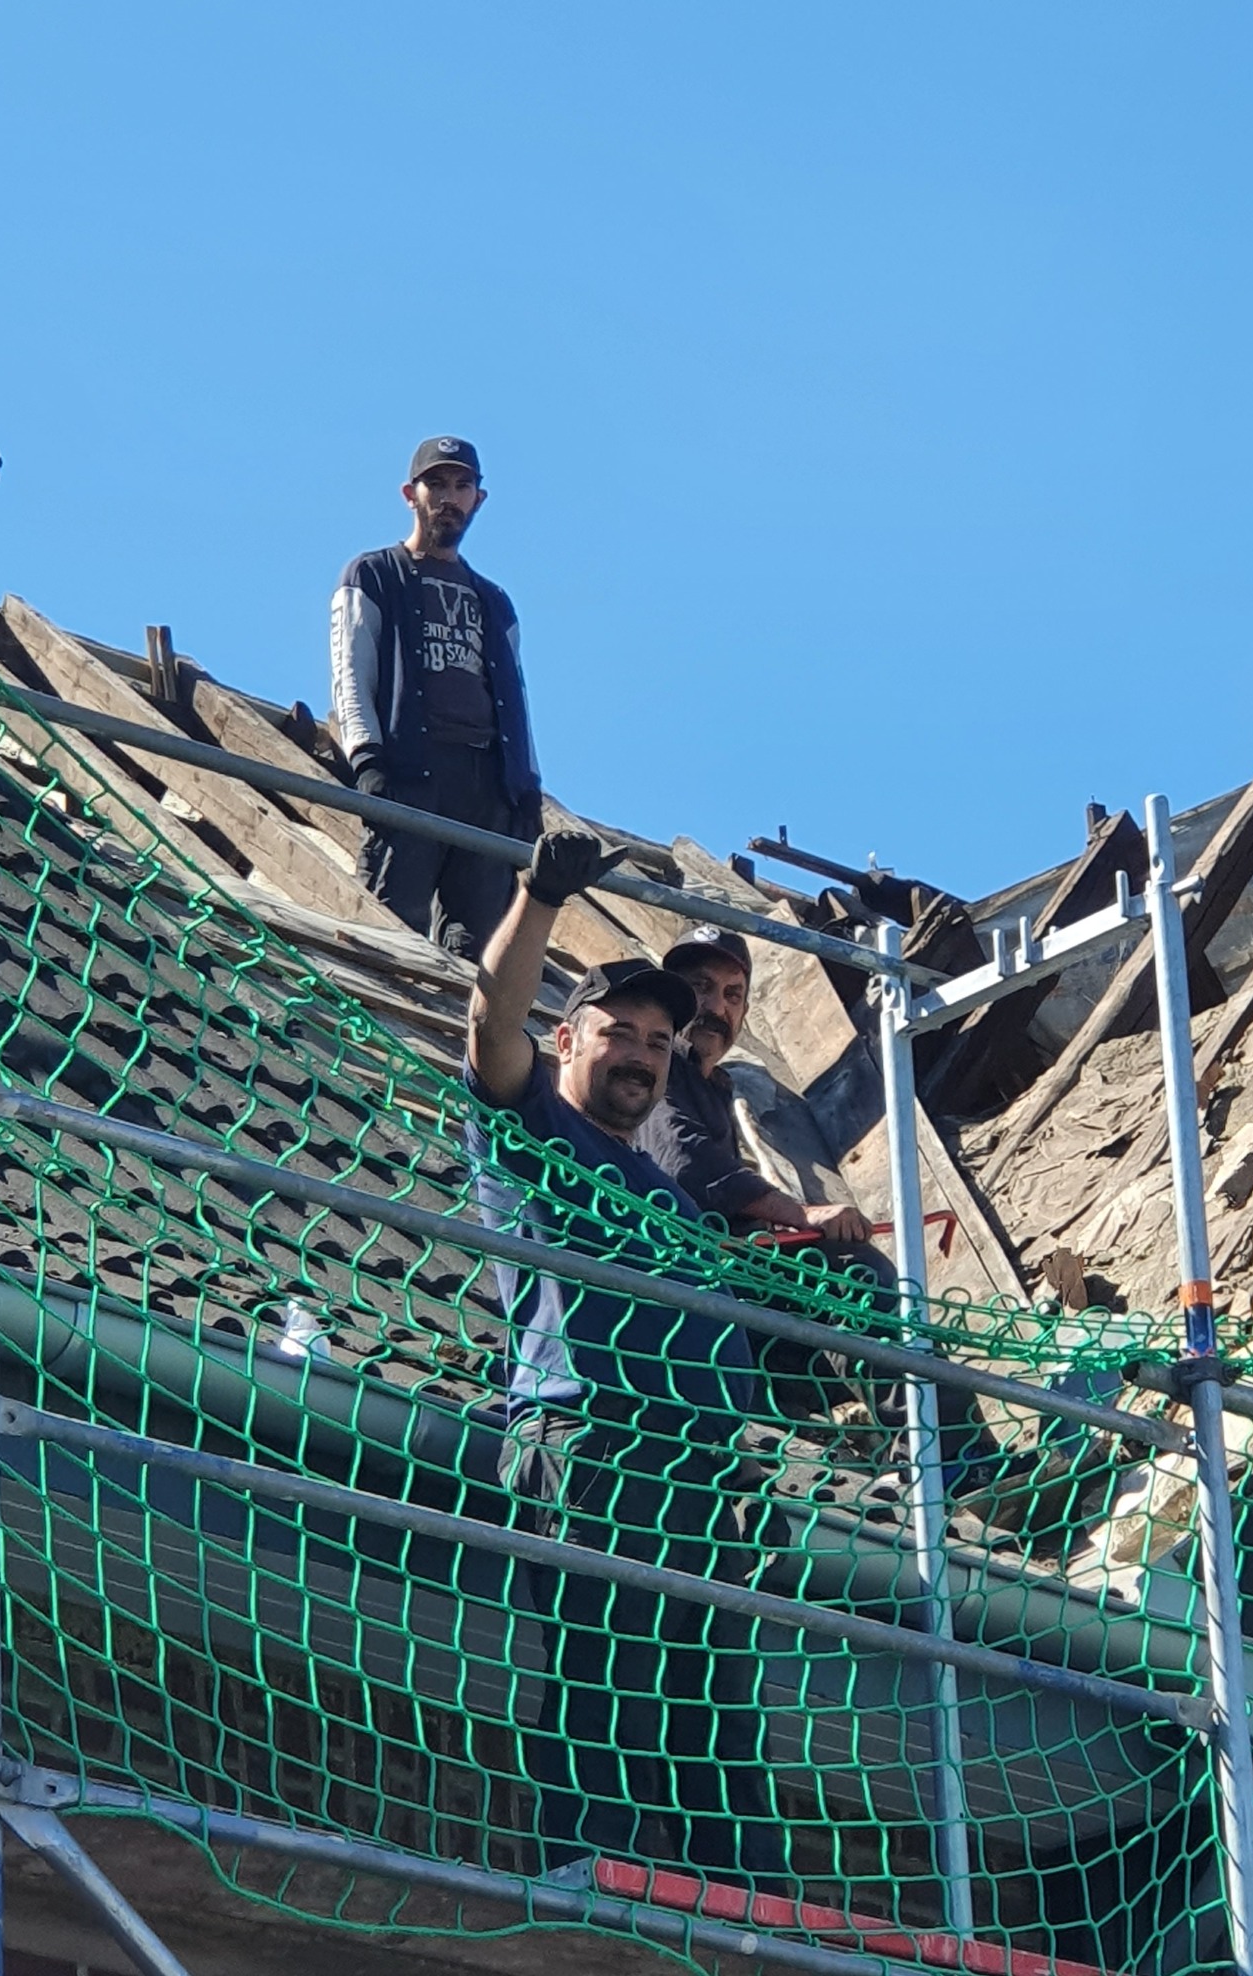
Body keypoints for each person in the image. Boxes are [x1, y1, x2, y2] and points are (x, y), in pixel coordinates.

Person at [464, 834, 789, 1892]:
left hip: (694, 1468)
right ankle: (579, 1874)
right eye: (619, 1031)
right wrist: (538, 896)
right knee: (605, 1669)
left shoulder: (665, 1192)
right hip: (596, 1441)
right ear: (570, 1038)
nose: (643, 1053)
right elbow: (487, 1027)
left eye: (660, 1038)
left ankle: (741, 1903)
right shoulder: (536, 1130)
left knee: (715, 1709)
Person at [638, 924, 1006, 1494]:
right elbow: (685, 1164)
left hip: (725, 1287)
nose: (716, 1008)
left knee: (837, 1326)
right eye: (700, 988)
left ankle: (927, 1461)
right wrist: (800, 1214)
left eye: (733, 995)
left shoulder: (709, 1086)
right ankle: (950, 1462)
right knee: (857, 1274)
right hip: (689, 1281)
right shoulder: (660, 1065)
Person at [331, 436, 542, 957]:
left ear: (479, 499)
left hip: (486, 787)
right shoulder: (375, 574)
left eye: (462, 485)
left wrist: (527, 789)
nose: (449, 497)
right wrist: (368, 762)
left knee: (478, 952)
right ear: (411, 493)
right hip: (411, 773)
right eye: (437, 484)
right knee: (389, 933)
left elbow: (516, 698)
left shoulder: (494, 601)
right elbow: (351, 674)